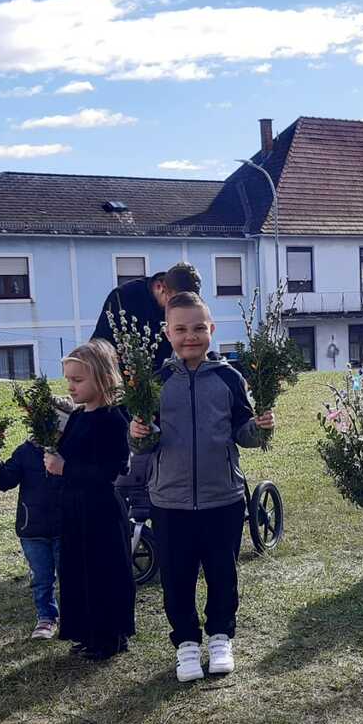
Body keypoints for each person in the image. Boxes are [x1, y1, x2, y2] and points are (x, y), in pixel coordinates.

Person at [129, 292, 273, 682]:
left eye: (198, 328)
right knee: (176, 578)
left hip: (222, 498)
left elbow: (242, 432)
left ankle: (221, 636)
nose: (189, 336)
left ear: (211, 329)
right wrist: (137, 433)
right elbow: (142, 442)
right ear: (167, 333)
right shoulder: (155, 382)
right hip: (170, 501)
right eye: (180, 329)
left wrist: (260, 428)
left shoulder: (229, 378)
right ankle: (187, 643)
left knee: (222, 572)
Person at [44, 340, 136, 661]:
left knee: (103, 572)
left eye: (78, 380)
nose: (71, 386)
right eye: (68, 379)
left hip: (100, 510)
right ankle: (87, 632)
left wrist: (65, 467)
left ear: (103, 379)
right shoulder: (78, 416)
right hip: (75, 508)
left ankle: (110, 636)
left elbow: (111, 470)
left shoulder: (113, 420)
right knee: (77, 570)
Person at [0, 410, 67, 640]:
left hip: (65, 527)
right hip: (33, 529)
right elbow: (7, 481)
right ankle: (46, 617)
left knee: (69, 574)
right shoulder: (25, 452)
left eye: (60, 430)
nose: (56, 434)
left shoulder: (69, 451)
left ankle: (72, 616)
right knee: (41, 578)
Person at [89, 261, 204, 366]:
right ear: (160, 288)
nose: (181, 311)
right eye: (176, 302)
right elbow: (99, 347)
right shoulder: (122, 297)